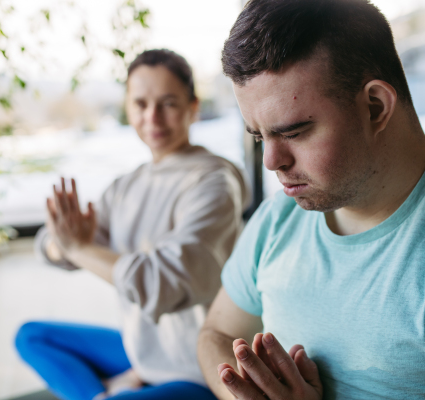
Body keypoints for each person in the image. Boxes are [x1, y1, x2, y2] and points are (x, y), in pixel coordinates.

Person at [197, 1, 425, 399]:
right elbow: (217, 333)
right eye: (260, 137)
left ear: (375, 107)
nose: (271, 162)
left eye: (293, 133)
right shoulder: (280, 215)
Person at [15, 49, 249, 400]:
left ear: (192, 107)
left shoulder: (215, 182)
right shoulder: (127, 185)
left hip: (200, 370)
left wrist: (78, 248)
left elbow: (162, 283)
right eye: (140, 104)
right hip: (146, 354)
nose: (152, 117)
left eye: (167, 103)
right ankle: (114, 389)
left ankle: (109, 392)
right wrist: (62, 242)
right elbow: (58, 245)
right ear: (128, 108)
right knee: (32, 337)